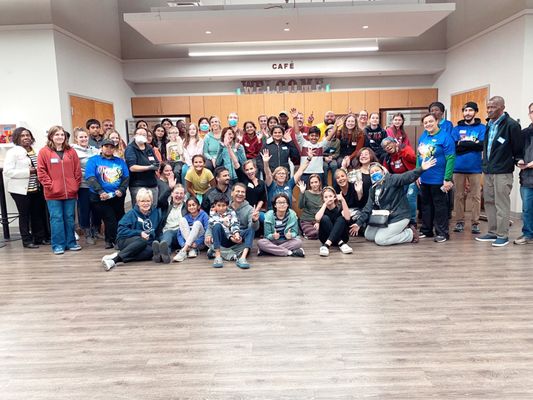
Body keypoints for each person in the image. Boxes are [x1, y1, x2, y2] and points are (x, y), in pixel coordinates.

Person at [351, 158, 437, 246]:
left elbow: (406, 177)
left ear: (383, 171)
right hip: (385, 218)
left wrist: (421, 168)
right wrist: (358, 223)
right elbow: (368, 207)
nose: (374, 173)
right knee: (368, 235)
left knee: (380, 240)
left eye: (376, 171)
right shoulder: (373, 188)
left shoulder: (392, 179)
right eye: (372, 173)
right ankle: (392, 231)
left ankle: (410, 234)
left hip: (399, 216)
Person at [476, 96, 524, 247]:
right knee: (489, 202)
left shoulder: (511, 125)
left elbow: (518, 148)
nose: (489, 110)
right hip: (489, 171)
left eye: (493, 107)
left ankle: (502, 235)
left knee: (501, 203)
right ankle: (492, 232)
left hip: (503, 171)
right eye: (488, 107)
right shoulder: (489, 124)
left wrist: (518, 160)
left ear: (502, 107)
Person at [37, 125, 82, 254]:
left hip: (70, 192)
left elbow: (77, 171)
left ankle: (71, 242)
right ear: (51, 136)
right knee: (56, 218)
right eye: (57, 134)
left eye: (62, 134)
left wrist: (75, 185)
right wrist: (50, 186)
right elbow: (41, 171)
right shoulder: (44, 152)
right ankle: (58, 245)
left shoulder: (71, 151)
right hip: (53, 193)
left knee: (69, 217)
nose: (60, 137)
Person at [3, 127, 50, 248]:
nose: (26, 138)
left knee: (37, 214)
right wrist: (28, 172)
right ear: (17, 138)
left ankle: (39, 238)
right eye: (22, 136)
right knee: (24, 215)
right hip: (20, 191)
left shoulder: (36, 151)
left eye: (28, 135)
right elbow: (8, 171)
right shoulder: (13, 152)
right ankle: (27, 241)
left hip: (37, 188)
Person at [416, 113, 456, 243]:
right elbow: (419, 156)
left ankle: (442, 233)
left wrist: (447, 178)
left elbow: (450, 158)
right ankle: (427, 230)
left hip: (439, 179)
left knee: (440, 206)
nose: (428, 124)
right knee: (426, 205)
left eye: (430, 121)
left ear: (437, 121)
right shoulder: (423, 136)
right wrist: (417, 173)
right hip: (424, 178)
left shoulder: (445, 137)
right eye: (425, 122)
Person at [101, 188, 162, 271]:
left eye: (148, 201)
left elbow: (157, 231)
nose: (145, 203)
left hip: (144, 244)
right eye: (142, 201)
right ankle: (113, 261)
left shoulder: (156, 213)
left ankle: (119, 255)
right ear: (137, 202)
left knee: (150, 251)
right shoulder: (131, 214)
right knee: (142, 240)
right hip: (125, 240)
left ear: (151, 202)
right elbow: (121, 231)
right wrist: (139, 233)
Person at [85, 139, 129, 249]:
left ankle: (114, 240)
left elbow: (126, 177)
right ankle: (112, 241)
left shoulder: (120, 161)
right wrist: (101, 191)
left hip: (117, 196)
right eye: (106, 146)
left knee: (119, 217)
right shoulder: (93, 160)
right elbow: (90, 178)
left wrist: (122, 189)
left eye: (111, 147)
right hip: (99, 197)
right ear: (101, 147)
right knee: (110, 218)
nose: (109, 149)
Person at [451, 102, 485, 234]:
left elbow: (481, 145)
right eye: (465, 110)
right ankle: (459, 222)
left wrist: (463, 144)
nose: (467, 113)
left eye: (470, 110)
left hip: (475, 168)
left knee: (476, 196)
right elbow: (455, 146)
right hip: (458, 167)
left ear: (475, 112)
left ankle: (475, 223)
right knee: (458, 196)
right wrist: (472, 144)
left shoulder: (482, 128)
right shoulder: (456, 129)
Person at [206, 183, 260, 266]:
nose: (240, 194)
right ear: (232, 193)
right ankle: (220, 256)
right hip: (224, 236)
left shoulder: (250, 209)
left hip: (239, 238)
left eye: (243, 192)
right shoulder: (223, 204)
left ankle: (242, 258)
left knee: (250, 232)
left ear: (245, 195)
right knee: (212, 234)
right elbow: (212, 222)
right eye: (238, 191)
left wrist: (254, 220)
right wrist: (208, 234)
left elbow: (253, 228)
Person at [381, 137, 418, 227]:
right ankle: (402, 218)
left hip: (412, 178)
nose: (388, 147)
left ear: (395, 142)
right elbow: (385, 172)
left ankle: (412, 221)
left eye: (389, 143)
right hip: (399, 181)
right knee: (398, 199)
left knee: (410, 196)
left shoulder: (405, 149)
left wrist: (400, 151)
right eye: (385, 147)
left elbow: (414, 159)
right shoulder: (387, 158)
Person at [291, 108, 335, 183]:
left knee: (318, 193)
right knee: (304, 192)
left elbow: (329, 136)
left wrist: (336, 126)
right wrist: (295, 118)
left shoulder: (321, 146)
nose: (314, 137)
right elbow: (297, 132)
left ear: (319, 137)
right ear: (308, 136)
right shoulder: (303, 143)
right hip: (305, 172)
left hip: (318, 173)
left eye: (316, 136)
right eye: (312, 135)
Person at [72, 127, 99, 245]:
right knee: (84, 209)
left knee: (97, 209)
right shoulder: (73, 152)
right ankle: (87, 233)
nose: (84, 139)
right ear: (76, 139)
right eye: (81, 137)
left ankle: (95, 231)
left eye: (85, 137)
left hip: (96, 185)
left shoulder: (95, 150)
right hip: (83, 185)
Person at [257, 193, 305, 257]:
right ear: (275, 205)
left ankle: (268, 251)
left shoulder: (292, 215)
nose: (282, 204)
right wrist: (273, 236)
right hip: (273, 241)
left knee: (298, 242)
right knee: (260, 242)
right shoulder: (269, 216)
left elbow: (295, 233)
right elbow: (267, 235)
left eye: (284, 202)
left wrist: (291, 235)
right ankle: (289, 252)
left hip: (287, 241)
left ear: (287, 204)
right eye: (279, 202)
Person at [204, 194, 244, 268]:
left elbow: (234, 224)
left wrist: (236, 234)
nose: (221, 208)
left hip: (230, 239)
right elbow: (211, 226)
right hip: (219, 238)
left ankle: (213, 252)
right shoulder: (213, 213)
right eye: (219, 205)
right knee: (216, 226)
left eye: (223, 205)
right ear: (215, 205)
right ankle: (218, 255)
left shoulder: (231, 213)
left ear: (227, 206)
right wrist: (208, 235)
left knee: (244, 243)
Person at [125, 127, 159, 205]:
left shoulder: (149, 148)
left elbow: (156, 162)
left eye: (144, 134)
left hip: (152, 184)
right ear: (134, 136)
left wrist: (155, 166)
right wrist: (149, 167)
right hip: (138, 185)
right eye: (139, 134)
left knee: (153, 208)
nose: (142, 136)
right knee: (140, 208)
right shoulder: (130, 148)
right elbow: (132, 167)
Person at [515, 102, 533, 245]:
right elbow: (517, 153)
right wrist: (519, 161)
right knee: (527, 209)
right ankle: (528, 234)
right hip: (527, 178)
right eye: (532, 111)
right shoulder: (524, 133)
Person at [315, 186, 352, 256]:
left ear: (334, 197)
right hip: (325, 238)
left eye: (330, 196)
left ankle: (326, 245)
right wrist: (325, 204)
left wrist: (343, 200)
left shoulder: (339, 207)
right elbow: (317, 218)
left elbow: (347, 218)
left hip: (342, 237)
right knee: (324, 218)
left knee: (341, 218)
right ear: (323, 199)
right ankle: (340, 243)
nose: (328, 198)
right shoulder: (323, 208)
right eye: (325, 197)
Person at [173, 196, 209, 261]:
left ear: (198, 206)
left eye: (193, 205)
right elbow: (179, 234)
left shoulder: (204, 215)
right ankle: (190, 249)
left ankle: (183, 251)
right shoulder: (186, 217)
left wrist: (197, 242)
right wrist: (182, 244)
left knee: (197, 223)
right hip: (188, 244)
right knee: (182, 220)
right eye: (189, 205)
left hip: (199, 243)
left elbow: (207, 231)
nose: (191, 207)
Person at [158, 184, 187, 253]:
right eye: (176, 193)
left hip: (179, 235)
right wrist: (170, 188)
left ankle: (160, 252)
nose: (179, 195)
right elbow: (160, 201)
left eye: (181, 193)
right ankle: (164, 254)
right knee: (166, 237)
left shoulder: (187, 207)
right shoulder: (166, 205)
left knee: (169, 233)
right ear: (172, 194)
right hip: (164, 234)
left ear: (184, 195)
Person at [297, 174, 323, 240]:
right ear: (310, 184)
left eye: (316, 182)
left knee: (325, 231)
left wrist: (318, 222)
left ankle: (309, 235)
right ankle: (306, 233)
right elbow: (300, 206)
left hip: (319, 221)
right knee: (314, 233)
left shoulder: (323, 193)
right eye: (312, 183)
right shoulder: (306, 193)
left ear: (319, 183)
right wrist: (302, 193)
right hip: (306, 220)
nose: (314, 184)